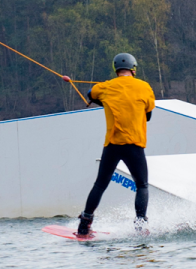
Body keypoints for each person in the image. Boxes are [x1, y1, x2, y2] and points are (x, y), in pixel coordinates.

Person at [65, 53, 156, 237]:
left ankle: (84, 224)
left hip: (113, 144)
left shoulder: (106, 87)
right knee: (142, 185)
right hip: (135, 144)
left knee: (100, 184)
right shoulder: (144, 87)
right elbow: (149, 114)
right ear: (134, 69)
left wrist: (105, 100)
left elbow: (90, 95)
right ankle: (140, 226)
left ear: (116, 70)